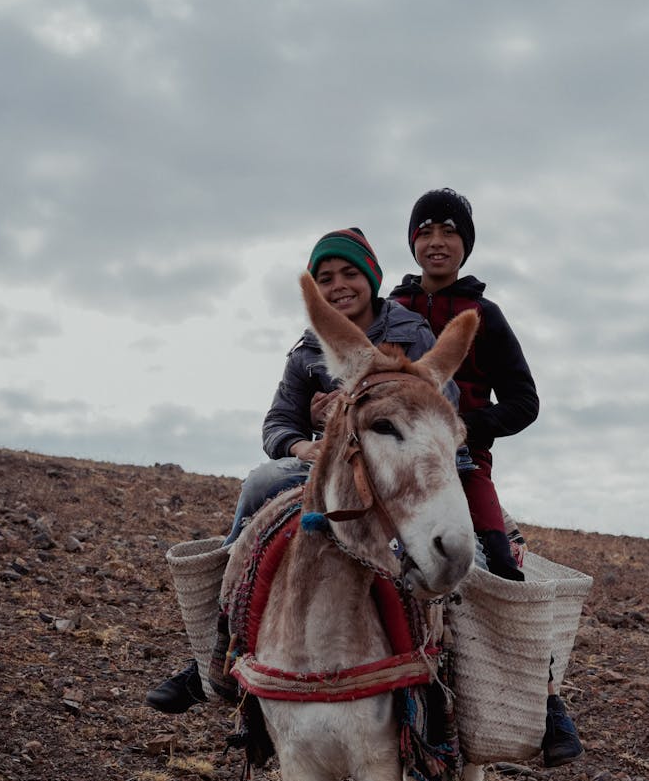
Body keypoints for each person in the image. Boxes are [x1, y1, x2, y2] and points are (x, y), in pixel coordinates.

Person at [146, 227, 457, 714]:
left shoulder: (412, 333)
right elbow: (276, 424)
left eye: (349, 273)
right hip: (328, 469)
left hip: (400, 470)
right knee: (261, 483)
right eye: (325, 277)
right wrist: (305, 442)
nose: (338, 286)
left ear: (372, 278)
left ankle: (469, 681)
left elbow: (442, 404)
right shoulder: (307, 350)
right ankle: (218, 639)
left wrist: (369, 409)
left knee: (470, 556)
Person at [389, 188, 583, 768]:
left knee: (500, 564)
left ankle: (548, 705)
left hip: (464, 464)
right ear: (414, 243)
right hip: (392, 465)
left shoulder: (486, 317)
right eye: (425, 232)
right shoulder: (390, 309)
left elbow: (524, 401)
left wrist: (466, 428)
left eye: (449, 233)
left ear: (465, 245)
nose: (436, 242)